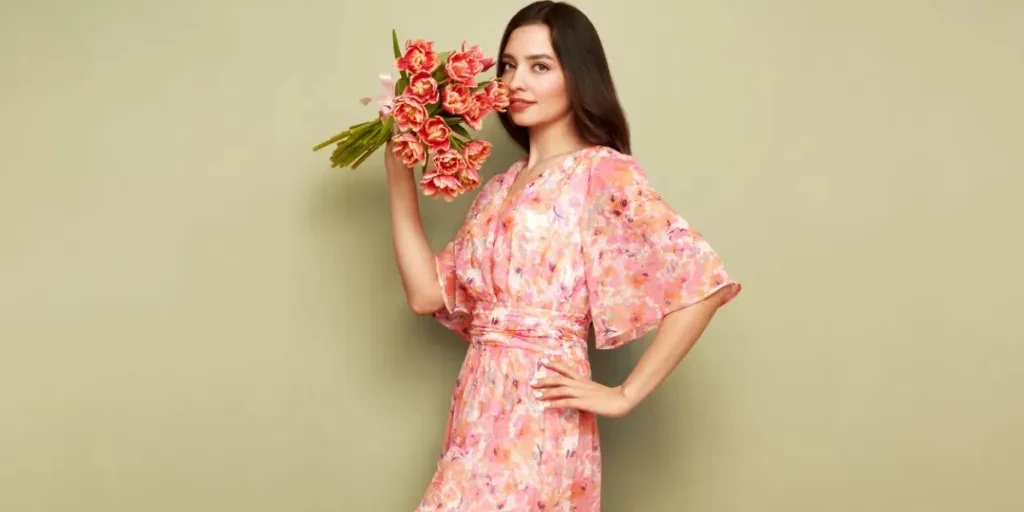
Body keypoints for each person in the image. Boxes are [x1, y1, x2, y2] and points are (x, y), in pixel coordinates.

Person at [384, 1, 741, 509]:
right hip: (476, 408)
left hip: (543, 413)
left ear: (578, 76)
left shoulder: (601, 173)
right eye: (507, 65)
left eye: (540, 66)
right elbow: (425, 294)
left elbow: (702, 279)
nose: (515, 82)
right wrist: (400, 178)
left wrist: (624, 394)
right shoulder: (497, 190)